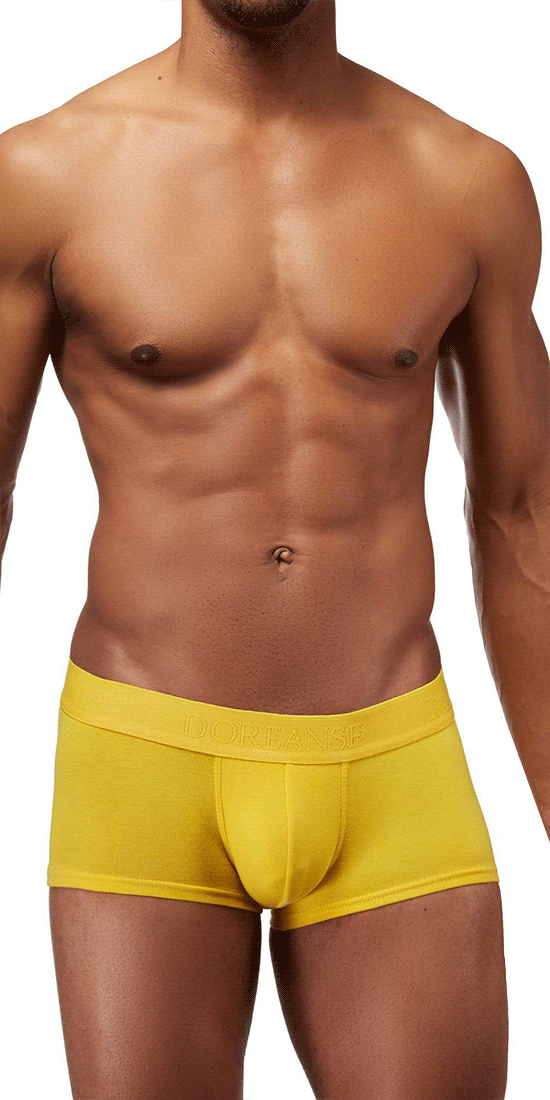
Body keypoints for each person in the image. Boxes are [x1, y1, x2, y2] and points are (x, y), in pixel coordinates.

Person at [0, 1, 548, 1096]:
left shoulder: (465, 180)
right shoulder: (46, 176)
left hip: (393, 755)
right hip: (143, 756)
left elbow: (523, 511)